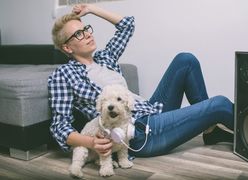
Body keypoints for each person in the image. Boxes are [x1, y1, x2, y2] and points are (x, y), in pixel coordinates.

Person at [48, 4, 234, 158]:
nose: (88, 34)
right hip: (139, 132)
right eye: (79, 34)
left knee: (186, 60)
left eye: (86, 29)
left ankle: (210, 131)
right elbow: (59, 126)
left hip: (152, 110)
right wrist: (92, 142)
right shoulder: (63, 75)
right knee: (219, 104)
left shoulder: (105, 58)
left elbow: (127, 25)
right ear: (67, 47)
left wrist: (91, 9)